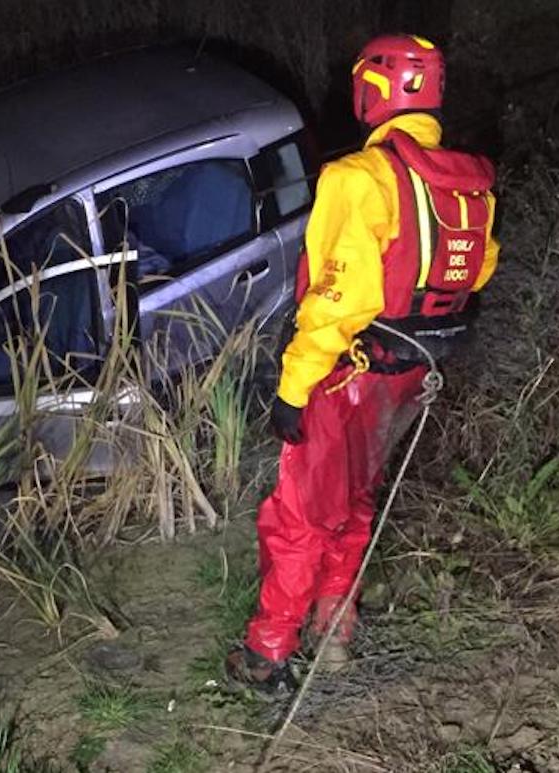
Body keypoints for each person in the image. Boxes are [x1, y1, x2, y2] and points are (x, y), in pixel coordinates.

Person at [225, 33, 500, 697]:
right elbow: (479, 268)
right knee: (354, 501)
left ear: (373, 90)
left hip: (345, 372)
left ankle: (267, 651)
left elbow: (336, 298)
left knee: (300, 513)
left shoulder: (357, 178)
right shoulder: (469, 185)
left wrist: (293, 385)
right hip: (408, 377)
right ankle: (334, 625)